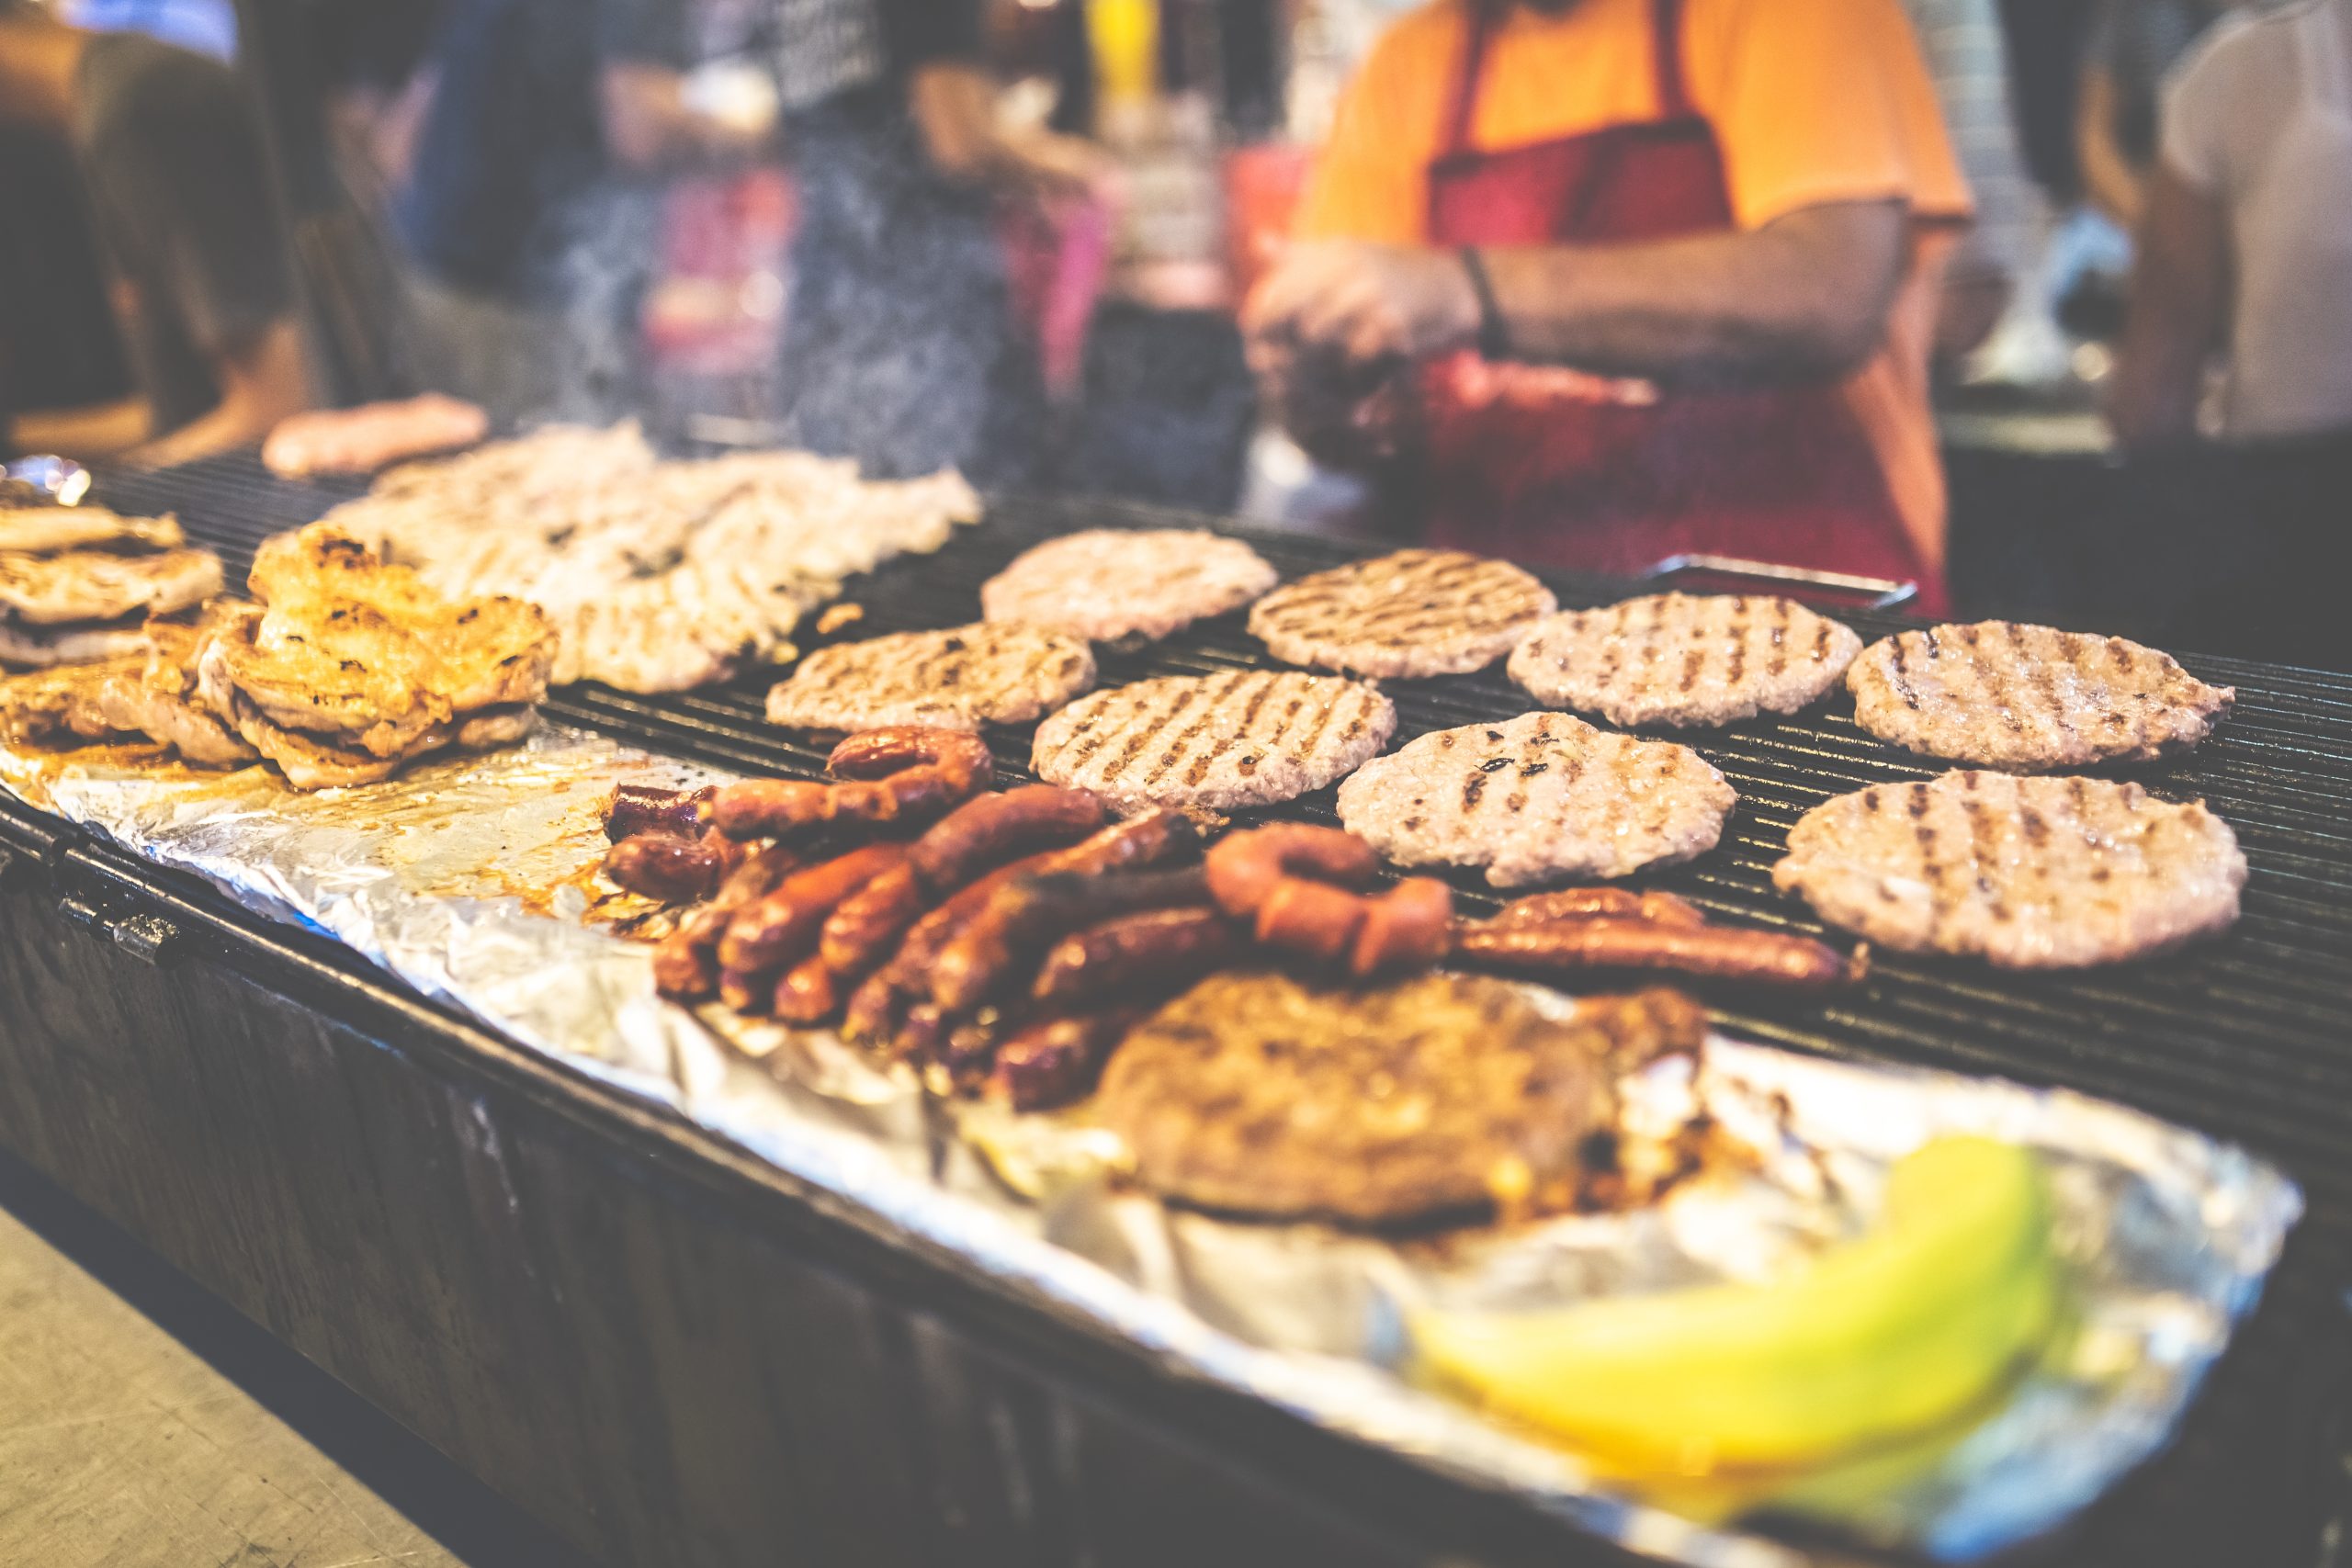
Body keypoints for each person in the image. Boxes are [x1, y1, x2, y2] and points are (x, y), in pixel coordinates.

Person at [1243, 0, 1972, 612]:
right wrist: (1326, 391)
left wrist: (1464, 290)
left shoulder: (1797, 13)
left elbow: (1829, 291)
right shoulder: (1410, 64)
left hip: (1805, 600)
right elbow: (1359, 408)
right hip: (1493, 628)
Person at [2103, 0, 2352, 667]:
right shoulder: (2243, 66)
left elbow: (2151, 393)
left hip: (2286, 532)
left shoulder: (2241, 68)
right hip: (2286, 519)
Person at [760, 0, 1102, 485]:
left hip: (824, 307)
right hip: (930, 329)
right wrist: (1077, 166)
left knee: (838, 523)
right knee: (956, 519)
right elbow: (959, 142)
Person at [0, 0, 309, 466]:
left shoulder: (136, 106)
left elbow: (280, 403)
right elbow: (177, 416)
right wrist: (22, 439)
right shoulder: (113, 91)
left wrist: (106, 503)